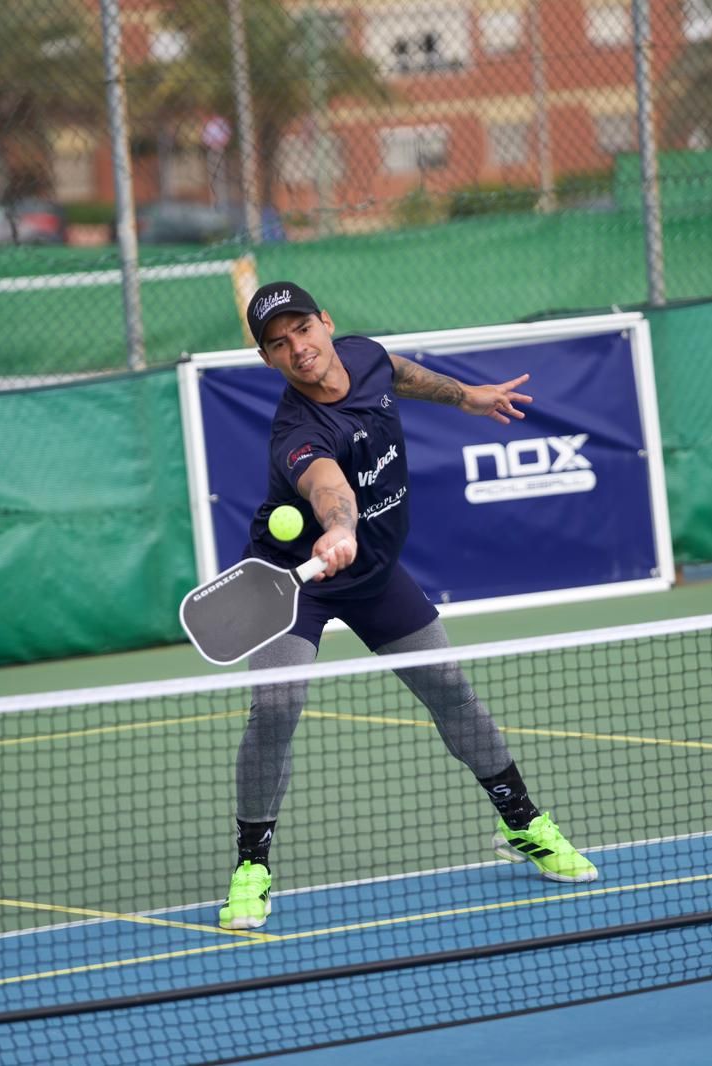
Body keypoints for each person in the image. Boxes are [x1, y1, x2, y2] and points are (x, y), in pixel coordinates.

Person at [219, 282, 597, 931]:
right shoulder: (296, 432)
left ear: (326, 323)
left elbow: (397, 373)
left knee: (450, 687)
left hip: (370, 572)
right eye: (278, 344)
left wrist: (466, 396)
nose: (298, 348)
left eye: (302, 330)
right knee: (276, 706)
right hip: (295, 577)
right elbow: (326, 483)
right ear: (269, 362)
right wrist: (337, 525)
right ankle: (252, 864)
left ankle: (524, 824)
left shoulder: (364, 355)